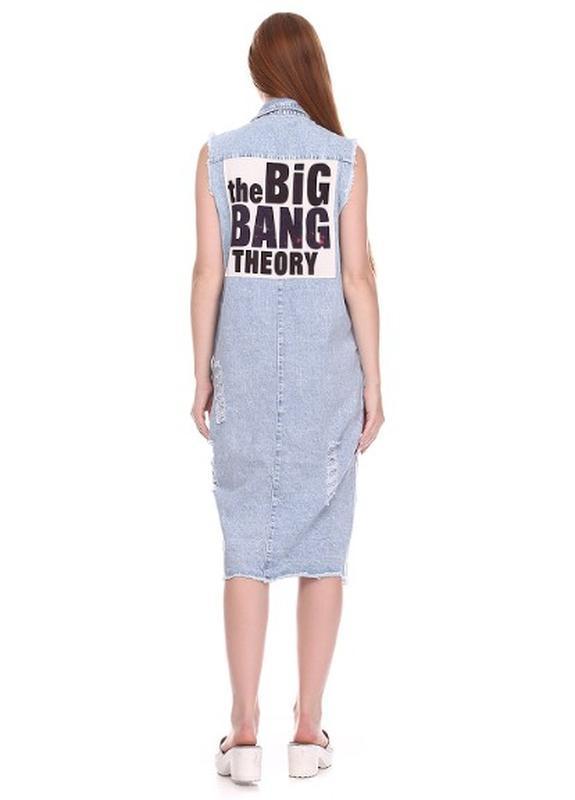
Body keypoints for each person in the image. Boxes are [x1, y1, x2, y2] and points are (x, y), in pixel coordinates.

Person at [190, 12, 384, 783]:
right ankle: (307, 732)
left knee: (244, 549)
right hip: (326, 380)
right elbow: (357, 277)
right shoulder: (345, 158)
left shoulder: (218, 157)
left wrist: (200, 373)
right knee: (322, 551)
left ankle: (243, 734)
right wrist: (375, 381)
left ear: (257, 70)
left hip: (242, 375)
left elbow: (207, 274)